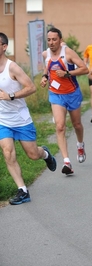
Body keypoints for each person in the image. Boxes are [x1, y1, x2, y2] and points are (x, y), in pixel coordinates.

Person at [0, 32, 57, 205]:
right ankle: (22, 190)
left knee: (33, 154)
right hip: (3, 119)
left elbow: (31, 87)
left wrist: (10, 95)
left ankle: (45, 153)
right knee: (8, 152)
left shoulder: (13, 67)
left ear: (4, 47)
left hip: (21, 118)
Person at [41, 27, 89, 175]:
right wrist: (44, 77)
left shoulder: (68, 52)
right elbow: (47, 68)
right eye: (48, 40)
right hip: (55, 94)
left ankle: (80, 145)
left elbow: (84, 69)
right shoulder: (45, 54)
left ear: (60, 40)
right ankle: (66, 161)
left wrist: (68, 73)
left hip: (72, 93)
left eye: (54, 39)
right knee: (60, 126)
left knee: (77, 124)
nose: (51, 42)